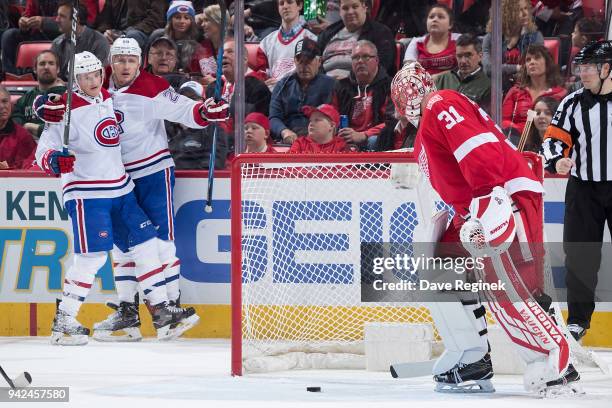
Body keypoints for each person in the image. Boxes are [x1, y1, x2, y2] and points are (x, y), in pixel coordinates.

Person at [389, 61, 578, 394]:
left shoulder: (441, 104)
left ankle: (554, 359)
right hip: (474, 209)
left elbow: (478, 151)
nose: (414, 97)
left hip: (502, 196)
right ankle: (471, 354)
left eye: (413, 91)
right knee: (438, 268)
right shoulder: (425, 132)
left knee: (507, 285)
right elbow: (445, 186)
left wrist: (489, 206)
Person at [34, 52, 193, 345]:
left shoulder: (110, 98)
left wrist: (198, 111)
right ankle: (64, 321)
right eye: (86, 76)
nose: (94, 81)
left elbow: (144, 99)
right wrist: (53, 159)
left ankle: (161, 311)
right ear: (75, 80)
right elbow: (44, 148)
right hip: (86, 193)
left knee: (145, 244)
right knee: (92, 257)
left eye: (97, 74)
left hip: (121, 189)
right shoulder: (63, 109)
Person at [540, 41, 612, 342]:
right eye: (580, 66)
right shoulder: (572, 103)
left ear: (607, 69)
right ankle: (578, 320)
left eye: (589, 67)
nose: (583, 72)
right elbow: (553, 140)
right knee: (580, 255)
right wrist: (557, 159)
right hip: (584, 189)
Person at [269, 37, 335, 143]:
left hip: (318, 140)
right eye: (300, 61)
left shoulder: (330, 85)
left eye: (309, 61)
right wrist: (284, 131)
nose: (304, 66)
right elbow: (274, 118)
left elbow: (333, 118)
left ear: (319, 61)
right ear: (294, 61)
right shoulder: (282, 85)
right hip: (289, 138)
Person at [332, 40, 393, 150]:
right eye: (355, 57)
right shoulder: (342, 86)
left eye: (365, 57)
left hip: (373, 139)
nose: (360, 61)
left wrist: (364, 135)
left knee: (374, 141)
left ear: (376, 60)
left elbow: (392, 120)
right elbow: (331, 116)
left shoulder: (390, 85)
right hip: (345, 138)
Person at [317, 0, 395, 80]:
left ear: (365, 7)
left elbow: (383, 66)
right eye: (345, 8)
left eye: (355, 7)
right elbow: (314, 61)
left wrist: (350, 80)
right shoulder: (327, 33)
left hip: (357, 86)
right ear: (340, 11)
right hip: (323, 84)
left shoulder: (380, 32)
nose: (350, 12)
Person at [502, 44, 566, 134]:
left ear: (547, 64)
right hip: (517, 140)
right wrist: (518, 132)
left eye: (537, 58)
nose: (532, 62)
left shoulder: (561, 94)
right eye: (528, 60)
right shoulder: (515, 91)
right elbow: (503, 121)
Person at [482, 0, 543, 91]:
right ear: (506, 14)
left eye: (526, 8)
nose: (525, 13)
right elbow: (488, 69)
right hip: (496, 92)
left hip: (525, 89)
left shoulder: (534, 37)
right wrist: (517, 68)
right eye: (519, 10)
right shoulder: (490, 38)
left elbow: (537, 68)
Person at [256, 0, 317, 89]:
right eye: (281, 3)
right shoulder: (265, 43)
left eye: (289, 2)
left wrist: (284, 83)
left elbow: (313, 75)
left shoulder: (312, 40)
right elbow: (261, 75)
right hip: (272, 96)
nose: (285, 6)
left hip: (300, 95)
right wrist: (263, 84)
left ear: (299, 5)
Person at [167, 80, 228, 169]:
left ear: (203, 102)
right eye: (183, 99)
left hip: (200, 181)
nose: (187, 103)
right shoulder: (169, 128)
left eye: (192, 98)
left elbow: (216, 163)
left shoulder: (214, 130)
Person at [11, 50, 66, 141]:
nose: (46, 67)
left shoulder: (68, 97)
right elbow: (15, 123)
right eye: (42, 63)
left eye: (51, 63)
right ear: (35, 69)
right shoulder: (25, 99)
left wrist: (30, 126)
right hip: (29, 148)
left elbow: (64, 130)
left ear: (58, 69)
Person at [51, 0, 109, 81]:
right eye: (57, 15)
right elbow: (53, 74)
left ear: (76, 20)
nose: (57, 20)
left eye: (62, 16)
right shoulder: (57, 43)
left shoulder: (99, 41)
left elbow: (99, 75)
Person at [435, 33, 491, 113]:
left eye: (468, 55)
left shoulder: (487, 86)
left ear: (480, 56)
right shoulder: (443, 79)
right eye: (459, 56)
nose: (463, 61)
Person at [1, 0, 61, 74]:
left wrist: (45, 22)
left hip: (61, 36)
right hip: (37, 34)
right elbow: (28, 14)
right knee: (9, 36)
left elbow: (68, 21)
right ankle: (11, 76)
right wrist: (24, 22)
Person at [402, 2, 460, 78]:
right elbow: (409, 70)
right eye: (431, 17)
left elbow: (466, 68)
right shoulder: (416, 42)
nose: (435, 19)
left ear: (450, 25)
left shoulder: (459, 40)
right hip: (423, 85)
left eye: (441, 17)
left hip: (453, 84)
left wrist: (439, 77)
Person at [94, 0, 166, 48]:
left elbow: (156, 19)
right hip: (116, 32)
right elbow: (105, 19)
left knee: (131, 36)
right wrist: (106, 32)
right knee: (95, 36)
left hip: (143, 32)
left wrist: (123, 34)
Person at [289, 103, 354, 153]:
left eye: (317, 120)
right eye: (310, 120)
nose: (311, 123)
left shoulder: (341, 146)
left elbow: (346, 170)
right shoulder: (300, 143)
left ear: (331, 126)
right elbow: (289, 167)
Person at [0, 85, 37, 170]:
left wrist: (7, 169)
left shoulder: (23, 135)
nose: (1, 106)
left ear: (11, 105)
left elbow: (28, 166)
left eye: (5, 101)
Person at [196, 4, 230, 86]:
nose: (202, 25)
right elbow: (195, 74)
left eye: (207, 20)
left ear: (220, 22)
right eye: (202, 21)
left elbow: (241, 77)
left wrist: (218, 81)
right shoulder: (201, 47)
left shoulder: (234, 47)